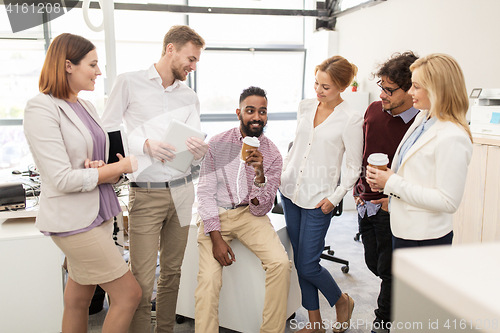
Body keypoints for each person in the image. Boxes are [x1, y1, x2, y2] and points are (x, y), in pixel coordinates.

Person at [23, 33, 141, 333]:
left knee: (79, 298)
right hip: (74, 222)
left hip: (97, 213)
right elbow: (61, 178)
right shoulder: (41, 108)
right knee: (129, 294)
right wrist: (119, 166)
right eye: (93, 64)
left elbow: (86, 161)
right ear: (67, 66)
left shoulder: (86, 106)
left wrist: (101, 166)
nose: (99, 72)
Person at [101, 25, 208, 333]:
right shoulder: (129, 83)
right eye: (191, 58)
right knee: (141, 279)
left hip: (183, 191)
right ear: (170, 49)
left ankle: (165, 330)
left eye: (197, 61)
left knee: (172, 273)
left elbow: (194, 149)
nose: (193, 66)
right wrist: (143, 145)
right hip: (145, 194)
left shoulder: (190, 97)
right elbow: (107, 129)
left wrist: (200, 151)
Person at [195, 86, 291, 333]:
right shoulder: (217, 143)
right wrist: (216, 237)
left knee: (280, 263)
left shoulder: (272, 154)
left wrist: (259, 174)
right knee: (208, 281)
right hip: (216, 213)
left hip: (249, 214)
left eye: (262, 111)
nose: (257, 117)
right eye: (250, 111)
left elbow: (263, 209)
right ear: (239, 112)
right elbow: (204, 192)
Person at [280, 55, 362, 333]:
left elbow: (353, 165)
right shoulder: (305, 106)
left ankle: (341, 301)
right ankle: (315, 325)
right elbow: (296, 148)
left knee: (308, 264)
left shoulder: (351, 119)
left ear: (342, 86)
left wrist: (336, 197)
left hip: (319, 200)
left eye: (325, 87)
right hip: (290, 192)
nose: (318, 91)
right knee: (300, 260)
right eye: (316, 83)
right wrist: (282, 175)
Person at [366, 53, 473, 250]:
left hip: (425, 238)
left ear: (436, 89)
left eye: (416, 87)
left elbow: (448, 201)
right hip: (403, 229)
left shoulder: (453, 136)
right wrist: (384, 181)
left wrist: (392, 182)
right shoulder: (423, 118)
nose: (410, 92)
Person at [352, 52, 419, 333]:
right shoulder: (373, 111)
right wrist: (357, 188)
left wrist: (394, 199)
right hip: (365, 202)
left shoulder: (420, 124)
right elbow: (363, 150)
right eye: (381, 86)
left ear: (411, 90)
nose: (382, 95)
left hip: (391, 206)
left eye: (390, 90)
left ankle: (383, 322)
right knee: (374, 264)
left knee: (390, 271)